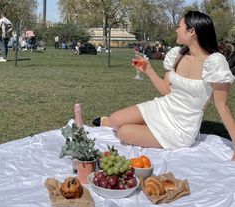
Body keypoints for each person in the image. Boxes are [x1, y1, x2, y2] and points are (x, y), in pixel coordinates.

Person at [93, 10, 235, 160]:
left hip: (180, 128)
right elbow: (166, 90)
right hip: (164, 107)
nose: (176, 30)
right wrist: (148, 70)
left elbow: (222, 107)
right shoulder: (177, 54)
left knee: (123, 132)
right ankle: (126, 124)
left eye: (179, 26)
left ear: (192, 31)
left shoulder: (215, 62)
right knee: (115, 119)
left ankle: (146, 129)